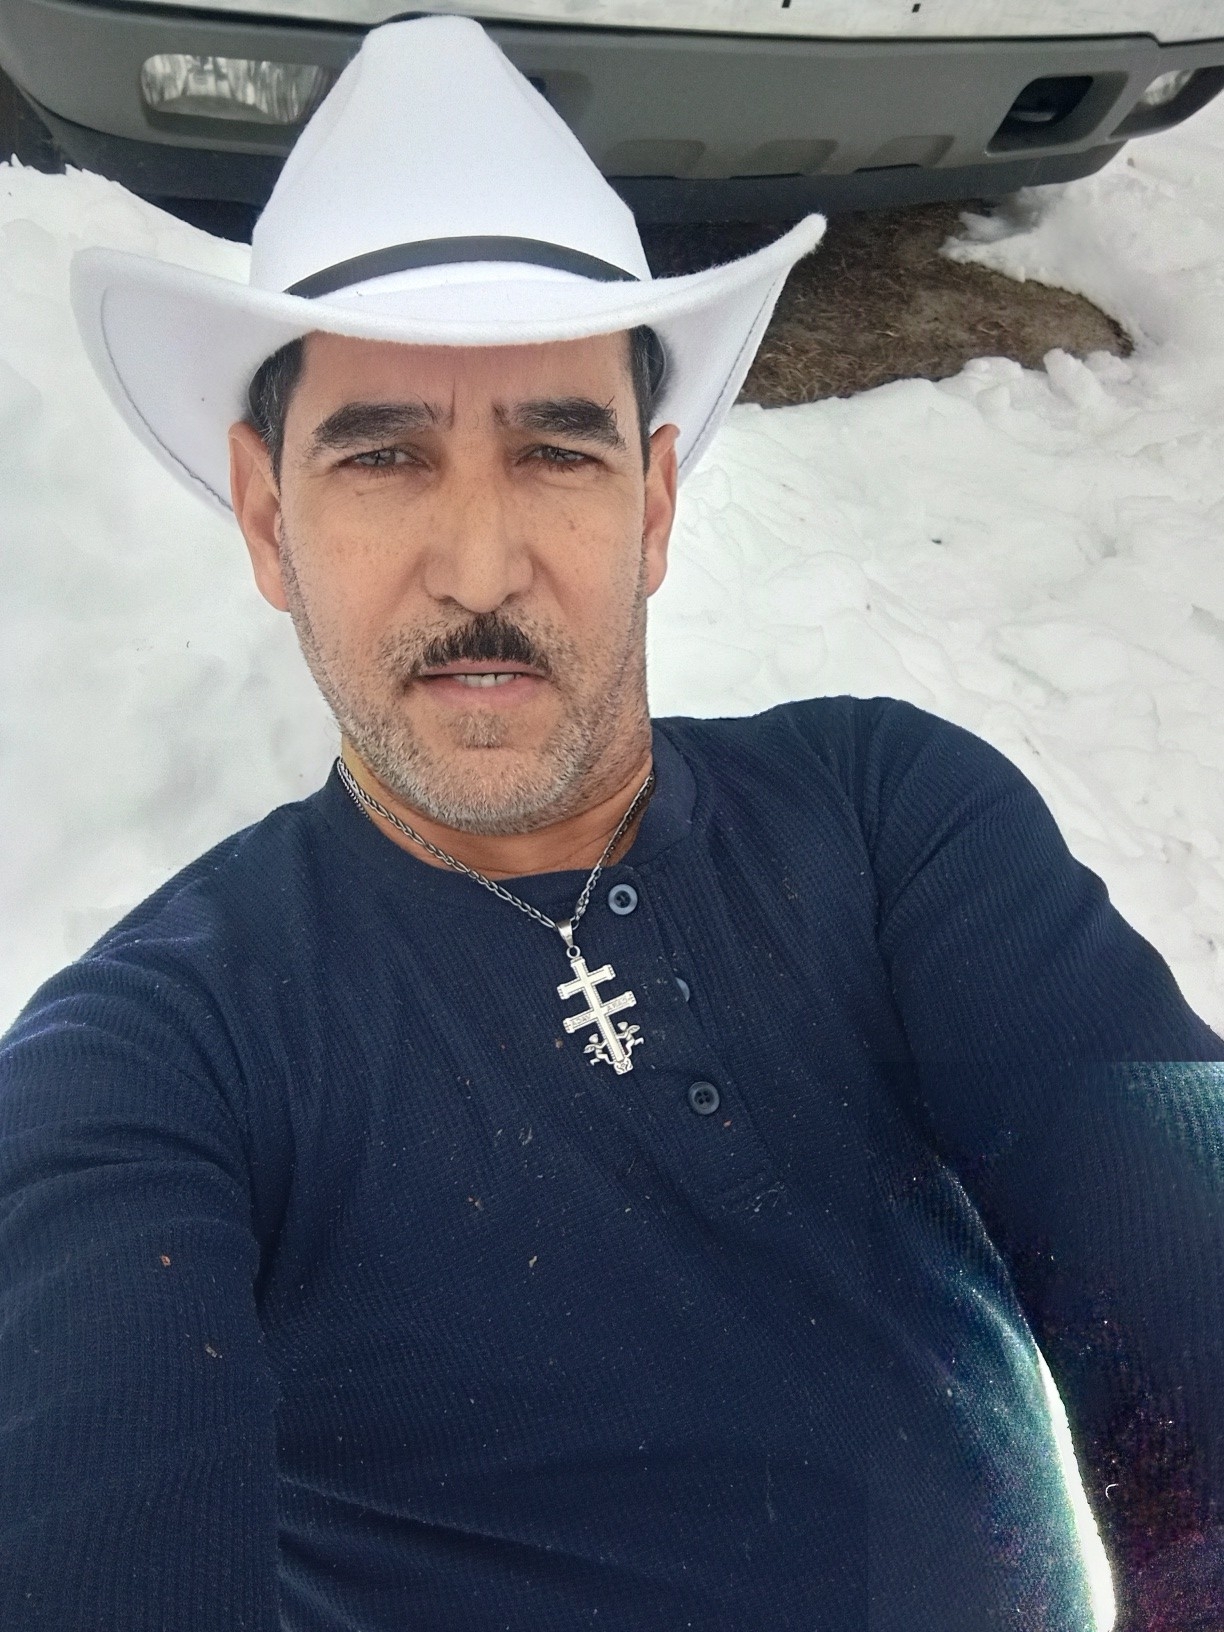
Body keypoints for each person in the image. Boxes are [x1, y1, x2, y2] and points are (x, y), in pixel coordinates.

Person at [2, 16, 1221, 1632]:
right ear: (266, 517)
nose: (481, 564)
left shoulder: (890, 821)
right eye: (384, 455)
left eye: (555, 449)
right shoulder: (157, 1057)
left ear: (651, 505)